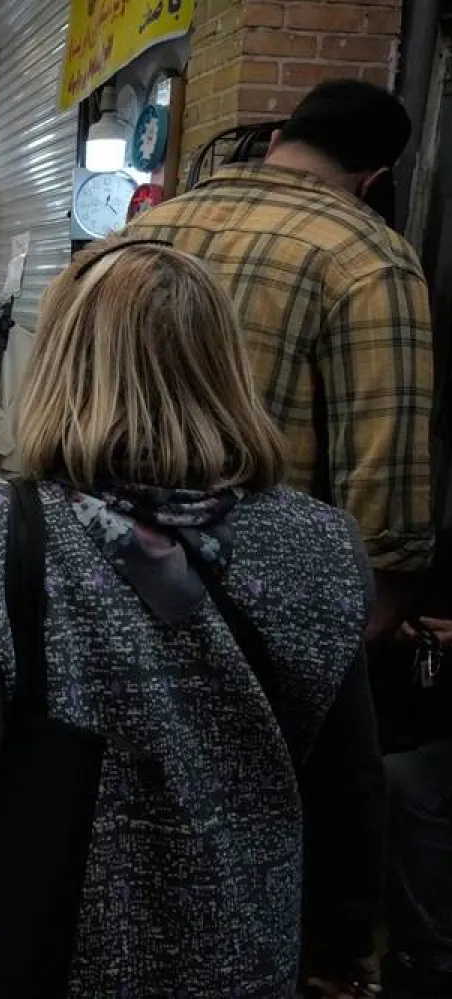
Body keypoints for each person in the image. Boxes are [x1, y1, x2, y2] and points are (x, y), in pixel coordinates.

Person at [0, 240, 383, 997]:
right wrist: (345, 939)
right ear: (224, 367)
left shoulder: (2, 534)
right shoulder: (321, 544)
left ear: (64, 368)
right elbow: (349, 782)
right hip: (244, 949)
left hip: (49, 939)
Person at [124, 79, 434, 638]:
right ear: (376, 180)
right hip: (262, 603)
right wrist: (380, 610)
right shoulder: (369, 259)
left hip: (112, 571)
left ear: (273, 142)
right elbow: (382, 466)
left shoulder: (143, 230)